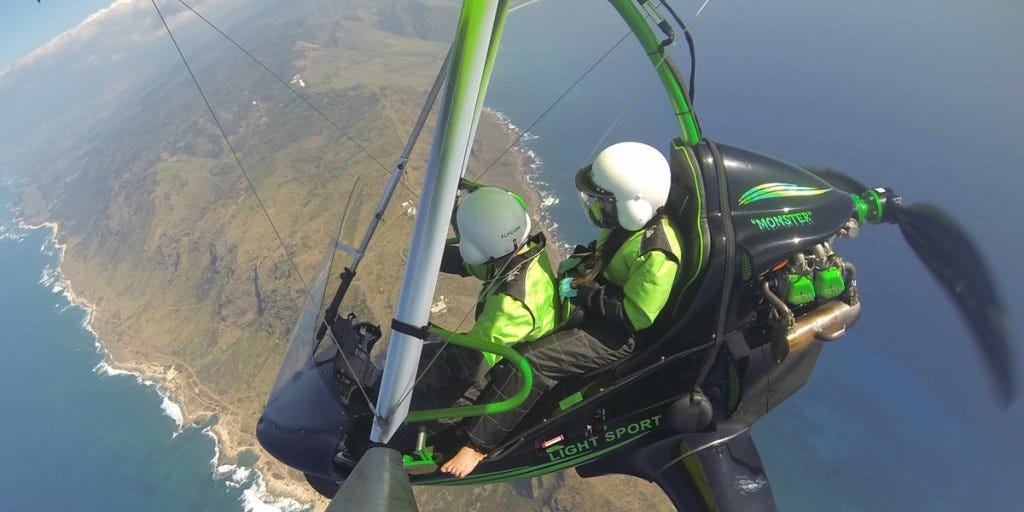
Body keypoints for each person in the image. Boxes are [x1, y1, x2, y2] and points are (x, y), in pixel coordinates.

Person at [451, 141, 683, 477]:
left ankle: (476, 446)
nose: (597, 211)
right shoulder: (630, 229)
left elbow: (637, 316)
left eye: (603, 204)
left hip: (615, 334)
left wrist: (584, 290)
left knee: (532, 362)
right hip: (598, 312)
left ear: (635, 206)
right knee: (525, 349)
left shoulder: (657, 253)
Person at [406, 186, 559, 477]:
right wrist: (431, 255)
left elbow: (473, 363)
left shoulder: (512, 304)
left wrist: (422, 372)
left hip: (504, 367)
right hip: (501, 349)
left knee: (425, 396)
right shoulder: (519, 251)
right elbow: (480, 263)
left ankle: (454, 447)